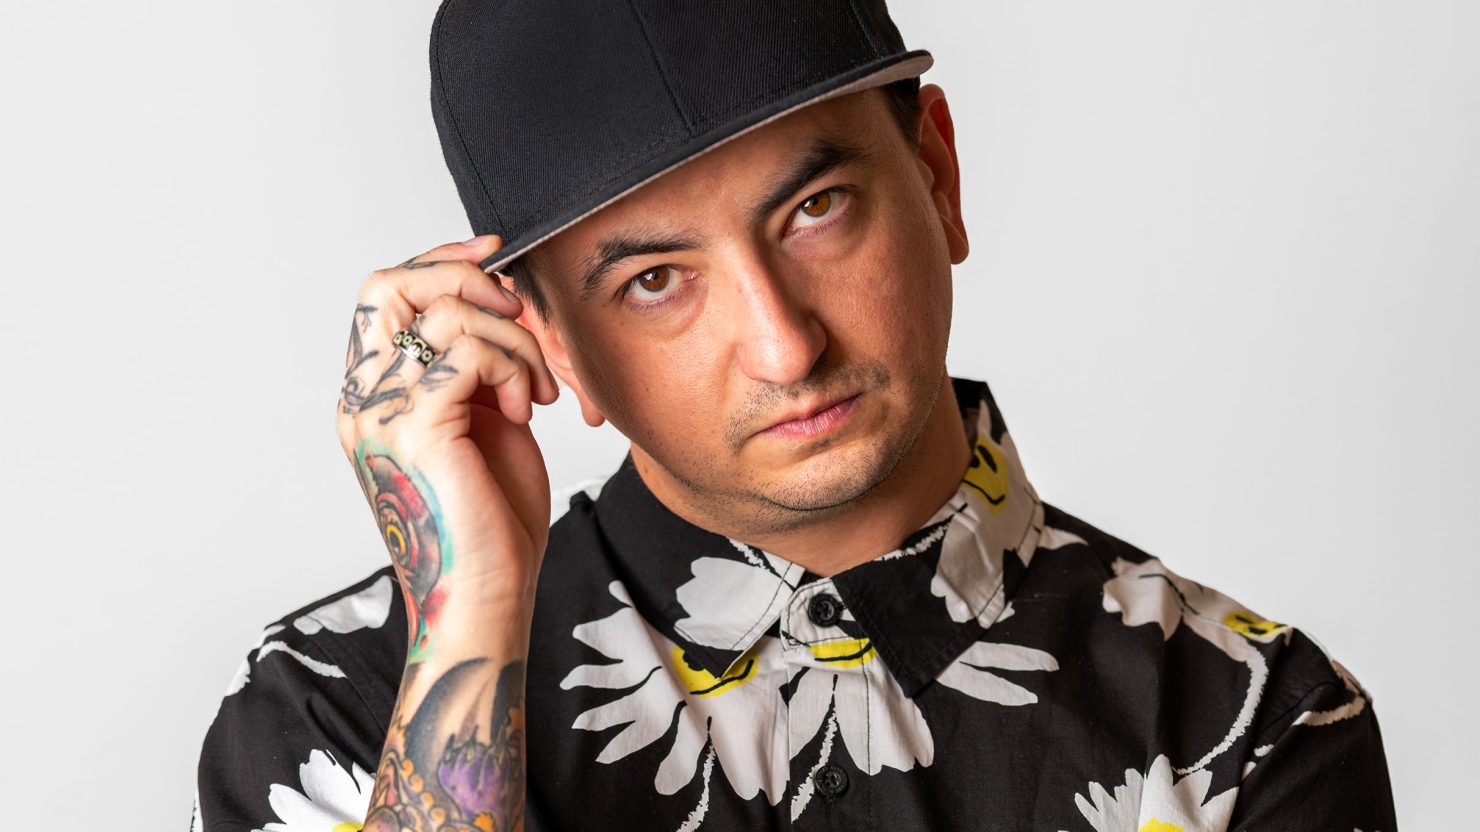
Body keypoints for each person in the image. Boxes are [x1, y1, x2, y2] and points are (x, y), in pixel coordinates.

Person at [193, 2, 1398, 830]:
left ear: (936, 174)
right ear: (549, 338)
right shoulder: (342, 707)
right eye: (654, 280)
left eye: (815, 209)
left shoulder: (1249, 720)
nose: (783, 344)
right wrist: (466, 608)